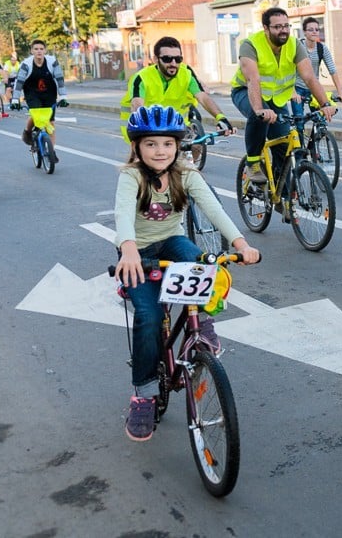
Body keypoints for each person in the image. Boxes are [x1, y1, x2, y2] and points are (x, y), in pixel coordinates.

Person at [113, 105, 260, 442]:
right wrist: (129, 249)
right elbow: (122, 215)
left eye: (166, 144)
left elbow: (213, 208)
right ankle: (144, 395)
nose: (159, 151)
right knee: (149, 316)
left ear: (178, 146)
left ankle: (203, 326)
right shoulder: (130, 177)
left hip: (171, 242)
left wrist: (241, 242)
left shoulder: (187, 174)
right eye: (150, 144)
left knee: (207, 266)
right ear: (137, 147)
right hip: (136, 251)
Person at [231, 7, 337, 184]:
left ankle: (284, 198)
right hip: (246, 92)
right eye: (278, 27)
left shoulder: (294, 45)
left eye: (286, 26)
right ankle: (253, 163)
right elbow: (253, 80)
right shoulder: (250, 45)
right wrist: (259, 110)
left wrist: (325, 104)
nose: (284, 31)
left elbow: (310, 77)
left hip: (277, 98)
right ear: (266, 28)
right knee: (258, 117)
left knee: (283, 147)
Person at [120, 36, 233, 145]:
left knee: (196, 144)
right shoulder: (141, 77)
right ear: (155, 59)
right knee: (143, 160)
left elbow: (202, 97)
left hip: (176, 125)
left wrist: (221, 118)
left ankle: (190, 165)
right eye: (167, 59)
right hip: (145, 127)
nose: (173, 64)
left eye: (178, 59)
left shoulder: (186, 73)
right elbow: (137, 105)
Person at [10, 40, 69, 161]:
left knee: (50, 123)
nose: (39, 51)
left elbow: (59, 79)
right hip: (32, 93)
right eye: (36, 49)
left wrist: (63, 96)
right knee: (36, 113)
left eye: (41, 49)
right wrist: (15, 99)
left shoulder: (52, 61)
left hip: (49, 93)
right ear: (32, 51)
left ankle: (52, 151)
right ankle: (27, 132)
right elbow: (19, 82)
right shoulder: (26, 64)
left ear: (45, 50)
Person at [289, 16, 342, 130]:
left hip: (313, 88)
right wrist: (293, 92)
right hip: (298, 88)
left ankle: (316, 143)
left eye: (317, 29)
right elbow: (289, 70)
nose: (315, 32)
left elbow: (332, 70)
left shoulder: (322, 48)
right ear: (304, 32)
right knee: (299, 122)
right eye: (311, 29)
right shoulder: (297, 47)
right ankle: (300, 146)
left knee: (320, 120)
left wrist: (340, 92)